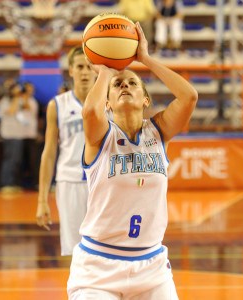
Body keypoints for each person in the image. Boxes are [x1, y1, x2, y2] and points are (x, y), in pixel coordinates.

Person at [67, 22, 198, 299]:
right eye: (118, 85)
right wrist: (105, 71)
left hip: (151, 267)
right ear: (107, 103)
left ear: (146, 100)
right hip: (98, 267)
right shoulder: (101, 136)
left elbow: (189, 97)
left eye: (132, 82)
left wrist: (146, 59)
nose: (125, 84)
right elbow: (90, 111)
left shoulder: (158, 131)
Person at [36, 46, 96, 256]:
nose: (85, 72)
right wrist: (42, 200)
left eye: (89, 67)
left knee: (106, 246)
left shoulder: (110, 102)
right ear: (70, 70)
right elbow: (49, 152)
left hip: (102, 182)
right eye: (79, 67)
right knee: (75, 250)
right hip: (69, 181)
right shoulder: (57, 105)